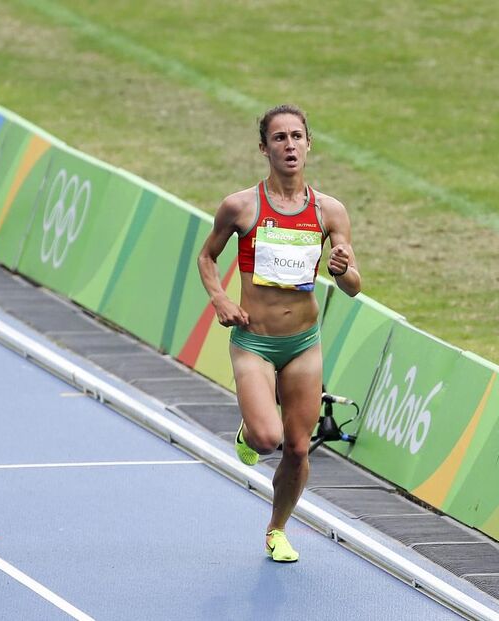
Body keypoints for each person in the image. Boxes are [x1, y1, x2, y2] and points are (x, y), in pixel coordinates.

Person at [197, 104, 361, 562]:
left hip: (303, 344)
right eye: (279, 138)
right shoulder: (241, 206)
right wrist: (221, 299)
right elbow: (207, 258)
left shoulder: (330, 211)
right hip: (255, 342)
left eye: (296, 137)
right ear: (265, 147)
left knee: (297, 447)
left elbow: (352, 286)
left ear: (309, 144)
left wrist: (343, 270)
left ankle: (277, 529)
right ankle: (249, 435)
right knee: (268, 439)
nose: (289, 145)